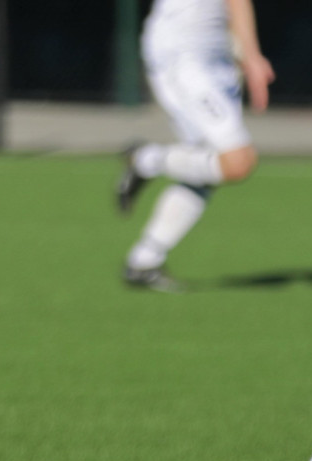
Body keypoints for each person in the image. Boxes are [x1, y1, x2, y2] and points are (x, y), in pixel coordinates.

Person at [114, 0, 275, 291]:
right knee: (237, 160)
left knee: (205, 166)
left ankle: (145, 260)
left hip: (212, 53)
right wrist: (251, 55)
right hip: (185, 53)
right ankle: (146, 159)